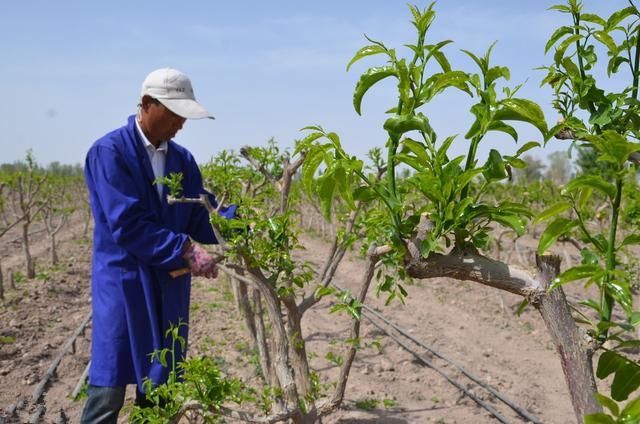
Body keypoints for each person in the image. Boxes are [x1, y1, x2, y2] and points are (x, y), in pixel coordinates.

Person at [81, 68, 234, 423]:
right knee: (108, 390)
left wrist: (239, 224)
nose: (181, 122)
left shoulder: (182, 160)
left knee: (161, 390)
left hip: (169, 286)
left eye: (185, 115)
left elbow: (201, 212)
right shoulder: (109, 153)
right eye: (175, 113)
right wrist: (186, 250)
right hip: (125, 284)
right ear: (148, 104)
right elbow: (127, 223)